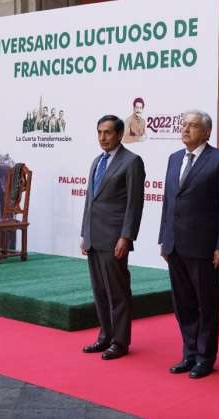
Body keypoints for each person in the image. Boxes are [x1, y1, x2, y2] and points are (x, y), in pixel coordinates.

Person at [159, 110, 219, 378]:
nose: (186, 129)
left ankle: (205, 357)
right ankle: (189, 353)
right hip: (175, 245)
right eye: (184, 125)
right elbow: (169, 201)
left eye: (192, 126)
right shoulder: (174, 159)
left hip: (205, 248)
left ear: (206, 132)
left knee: (206, 303)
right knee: (183, 304)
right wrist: (164, 237)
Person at [80, 115, 146, 360]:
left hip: (115, 238)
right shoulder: (97, 161)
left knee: (117, 292)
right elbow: (90, 201)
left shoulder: (132, 162)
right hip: (94, 238)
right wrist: (84, 233)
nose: (102, 137)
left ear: (119, 135)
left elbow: (134, 204)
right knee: (99, 290)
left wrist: (126, 237)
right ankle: (105, 336)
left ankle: (120, 341)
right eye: (99, 132)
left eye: (107, 133)